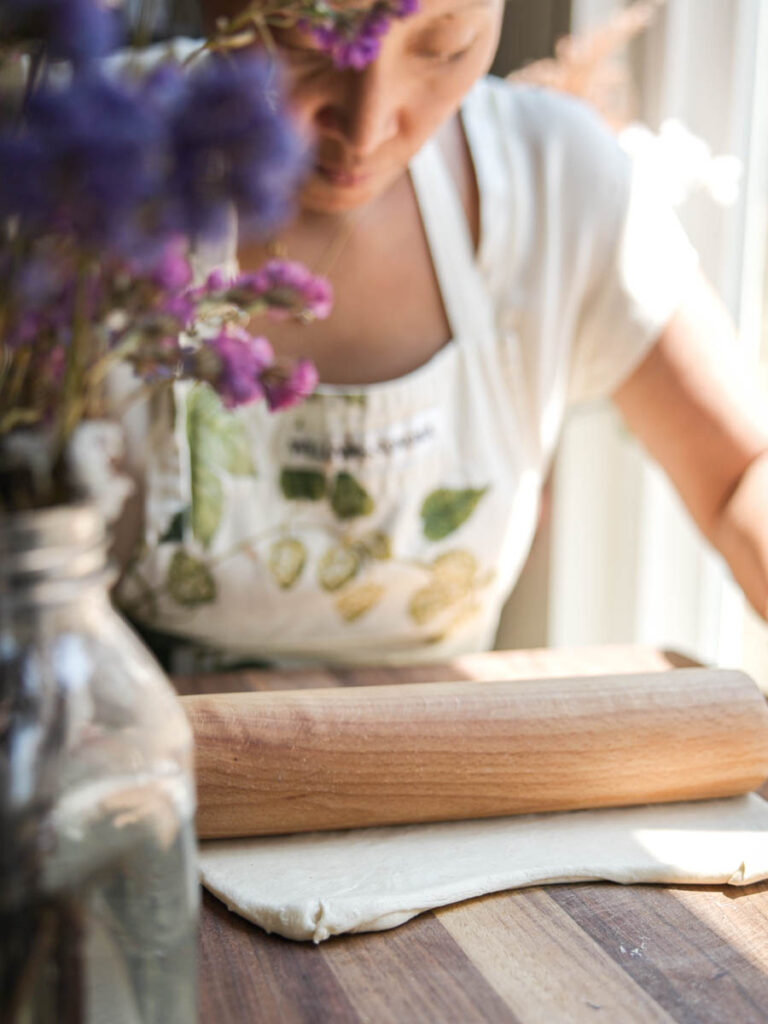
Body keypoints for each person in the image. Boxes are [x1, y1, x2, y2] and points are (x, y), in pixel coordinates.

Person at [116, 0, 768, 670]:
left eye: (444, 47)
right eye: (308, 45)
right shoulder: (70, 179)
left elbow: (741, 477)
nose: (367, 128)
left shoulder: (555, 180)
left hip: (436, 762)